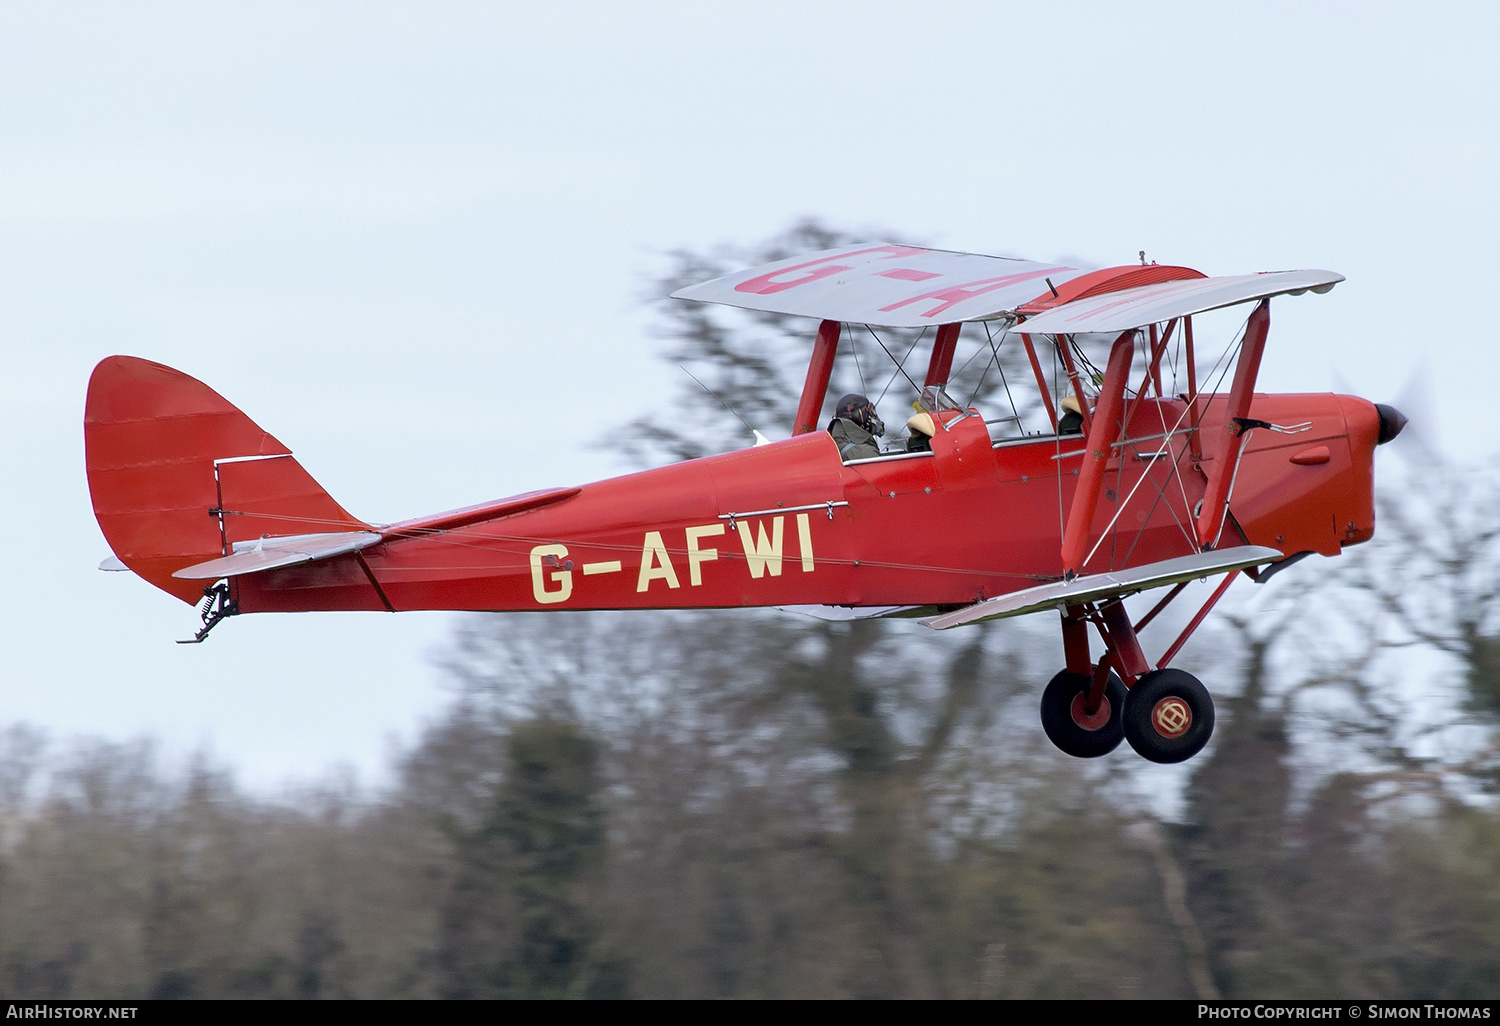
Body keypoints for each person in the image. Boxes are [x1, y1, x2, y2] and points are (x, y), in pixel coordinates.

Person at [828, 393, 884, 461]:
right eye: (869, 411)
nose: (872, 417)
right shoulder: (867, 453)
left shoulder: (832, 442)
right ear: (858, 414)